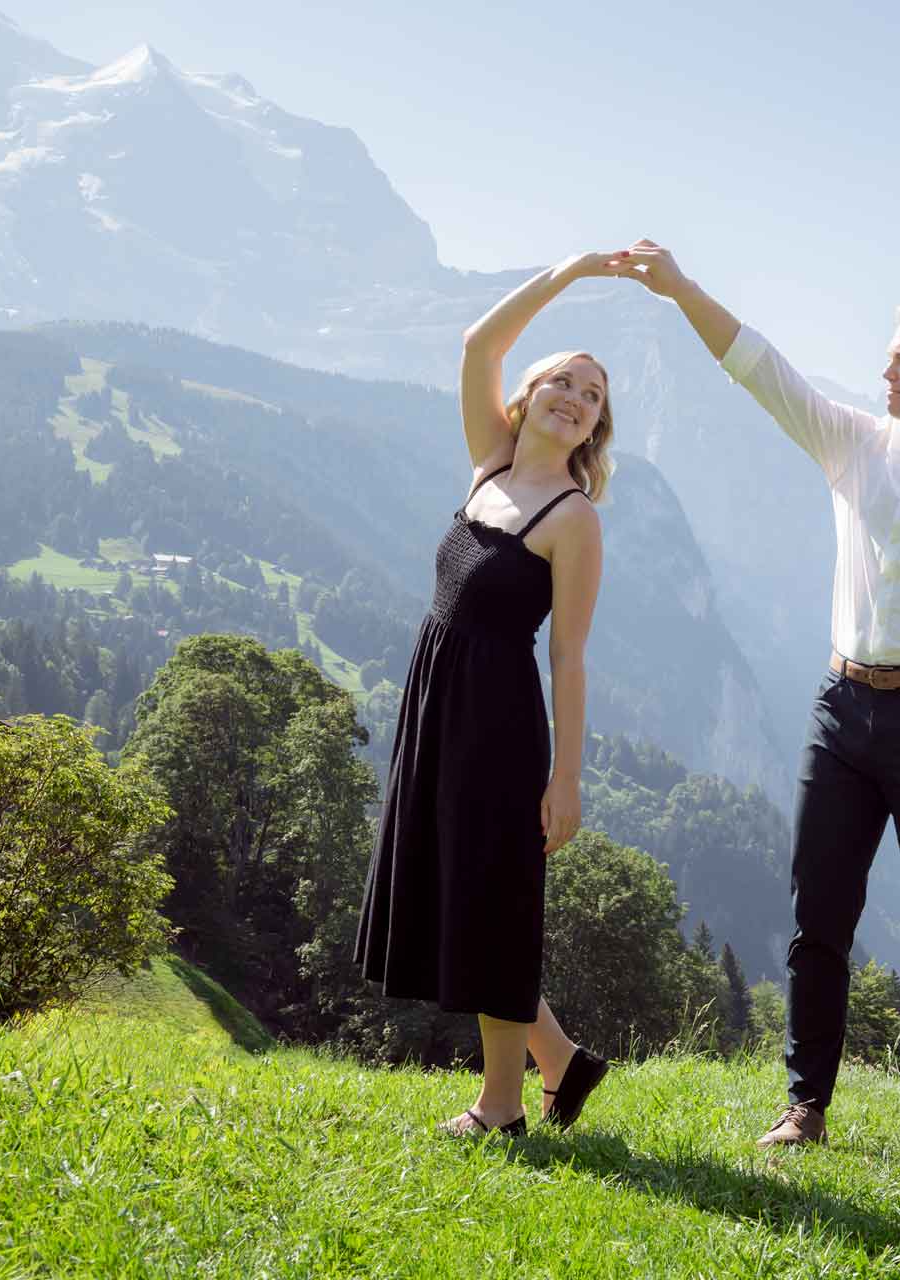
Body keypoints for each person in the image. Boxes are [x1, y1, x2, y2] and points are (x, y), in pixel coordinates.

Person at [607, 240, 900, 1171]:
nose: (884, 370)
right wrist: (685, 288)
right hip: (842, 707)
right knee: (818, 914)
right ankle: (804, 1105)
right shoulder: (855, 443)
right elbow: (760, 371)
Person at [354, 252, 620, 1138]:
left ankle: (501, 1108)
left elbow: (571, 658)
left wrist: (567, 780)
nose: (575, 396)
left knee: (495, 905)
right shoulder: (490, 465)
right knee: (462, 896)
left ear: (591, 432)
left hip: (501, 725)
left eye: (592, 396)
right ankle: (563, 1060)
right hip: (436, 704)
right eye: (563, 380)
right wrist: (572, 272)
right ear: (528, 394)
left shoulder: (574, 519)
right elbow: (478, 342)